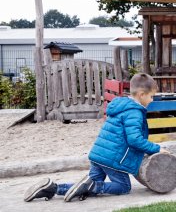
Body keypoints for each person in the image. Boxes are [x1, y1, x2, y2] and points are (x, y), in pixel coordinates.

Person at [24, 73, 168, 202]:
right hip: (113, 159)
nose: (152, 100)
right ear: (142, 94)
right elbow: (134, 139)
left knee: (88, 185)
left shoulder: (121, 106)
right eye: (151, 96)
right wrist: (156, 148)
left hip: (99, 155)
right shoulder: (134, 112)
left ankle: (52, 188)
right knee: (123, 187)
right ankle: (92, 186)